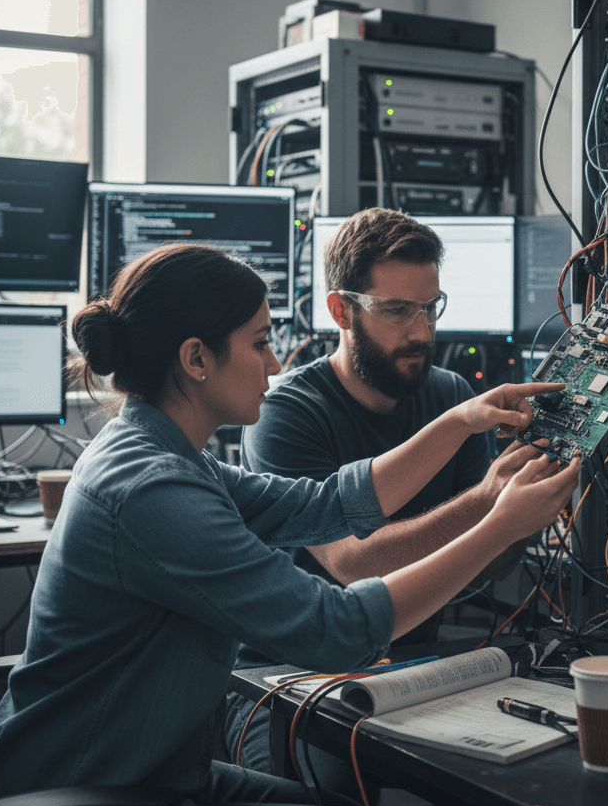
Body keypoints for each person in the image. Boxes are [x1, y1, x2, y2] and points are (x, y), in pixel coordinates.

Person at [0, 243, 579, 806]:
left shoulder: (162, 451)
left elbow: (326, 503)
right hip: (89, 800)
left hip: (153, 774)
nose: (276, 364)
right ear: (196, 359)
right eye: (260, 343)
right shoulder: (152, 490)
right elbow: (335, 628)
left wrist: (460, 419)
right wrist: (500, 524)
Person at [227, 208, 548, 774]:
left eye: (430, 308)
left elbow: (498, 564)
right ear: (341, 310)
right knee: (329, 798)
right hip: (286, 680)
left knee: (520, 786)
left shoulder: (452, 396)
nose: (422, 332)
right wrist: (489, 506)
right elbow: (354, 564)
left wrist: (539, 480)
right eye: (398, 310)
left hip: (416, 667)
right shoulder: (285, 414)